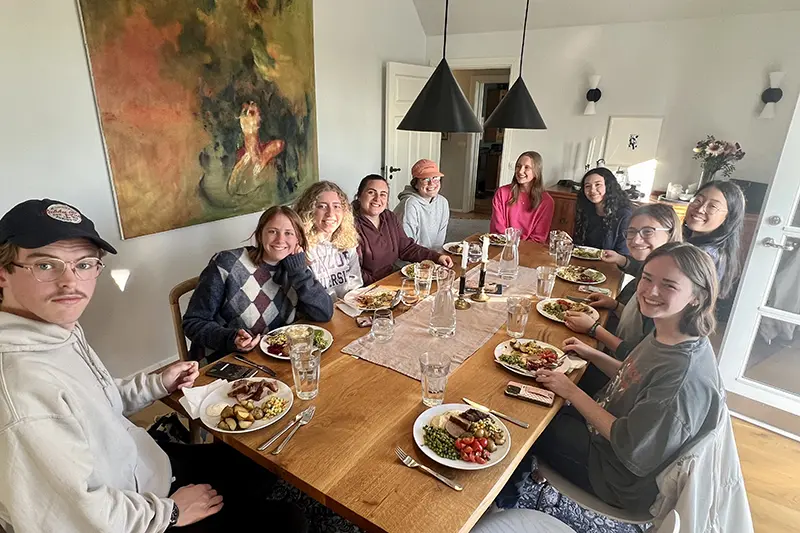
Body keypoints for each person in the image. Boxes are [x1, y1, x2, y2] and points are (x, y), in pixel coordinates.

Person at [0, 199, 307, 532]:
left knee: (263, 465)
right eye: (46, 265)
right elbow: (76, 519)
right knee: (290, 521)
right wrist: (170, 513)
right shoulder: (21, 391)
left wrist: (156, 383)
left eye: (84, 264)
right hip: (137, 513)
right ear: (3, 274)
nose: (70, 282)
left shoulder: (56, 331)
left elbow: (98, 401)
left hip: (144, 465)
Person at [524, 242, 724, 514]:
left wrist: (572, 392)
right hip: (607, 437)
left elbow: (631, 447)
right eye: (647, 278)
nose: (651, 291)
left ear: (697, 297)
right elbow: (633, 376)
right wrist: (591, 354)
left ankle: (502, 499)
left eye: (669, 285)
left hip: (614, 476)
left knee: (528, 422)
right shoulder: (669, 331)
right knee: (538, 392)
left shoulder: (681, 378)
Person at [183, 206, 334, 362]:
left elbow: (324, 313)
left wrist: (299, 273)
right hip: (226, 359)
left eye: (289, 233)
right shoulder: (227, 264)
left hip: (276, 359)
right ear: (260, 235)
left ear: (298, 240)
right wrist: (231, 339)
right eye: (272, 231)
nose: (280, 240)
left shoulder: (296, 268)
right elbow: (193, 322)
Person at [566, 204, 683, 359]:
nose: (636, 240)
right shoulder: (649, 270)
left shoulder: (666, 290)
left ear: (670, 232)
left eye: (648, 231)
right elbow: (638, 325)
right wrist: (615, 306)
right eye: (631, 232)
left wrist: (594, 329)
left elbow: (639, 358)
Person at [353, 174, 453, 284]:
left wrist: (437, 257)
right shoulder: (350, 226)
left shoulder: (389, 217)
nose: (377, 199)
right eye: (371, 192)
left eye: (383, 194)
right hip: (370, 287)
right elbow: (354, 271)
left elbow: (406, 248)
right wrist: (380, 285)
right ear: (359, 195)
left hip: (392, 278)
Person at [294, 181, 362, 298]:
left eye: (336, 206)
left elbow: (355, 283)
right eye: (322, 206)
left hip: (349, 305)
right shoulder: (301, 247)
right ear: (309, 211)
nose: (330, 213)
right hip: (318, 308)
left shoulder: (348, 240)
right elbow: (307, 295)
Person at [682, 180, 746, 304]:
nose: (700, 209)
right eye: (697, 200)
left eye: (712, 206)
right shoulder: (692, 244)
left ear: (728, 218)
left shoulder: (705, 255)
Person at [490, 151, 554, 243]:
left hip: (529, 248)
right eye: (518, 166)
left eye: (527, 167)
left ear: (536, 171)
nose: (520, 171)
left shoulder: (546, 201)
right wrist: (509, 245)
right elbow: (497, 227)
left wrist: (520, 248)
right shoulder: (502, 193)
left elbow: (538, 237)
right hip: (503, 244)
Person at [394, 159, 450, 250]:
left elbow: (439, 240)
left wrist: (436, 256)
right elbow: (407, 245)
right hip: (411, 256)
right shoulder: (410, 204)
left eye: (435, 178)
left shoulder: (443, 202)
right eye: (425, 179)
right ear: (415, 184)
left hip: (432, 255)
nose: (431, 183)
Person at [574, 167, 632, 254]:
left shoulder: (624, 215)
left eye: (598, 184)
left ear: (608, 186)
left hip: (611, 262)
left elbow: (623, 253)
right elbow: (579, 245)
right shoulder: (585, 210)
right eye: (587, 186)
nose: (592, 190)